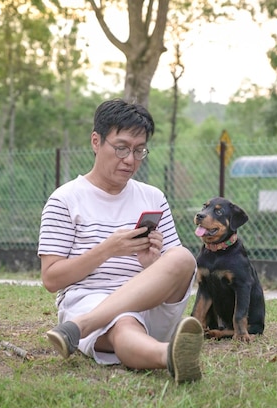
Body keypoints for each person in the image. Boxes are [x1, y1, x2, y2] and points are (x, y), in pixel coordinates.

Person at [38, 98, 203, 383]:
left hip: (150, 304)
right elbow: (51, 278)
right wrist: (107, 250)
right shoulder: (65, 199)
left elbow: (177, 269)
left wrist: (152, 264)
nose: (130, 159)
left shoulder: (153, 197)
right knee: (124, 324)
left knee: (182, 257)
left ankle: (81, 327)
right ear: (95, 141)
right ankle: (169, 355)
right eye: (122, 148)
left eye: (140, 151)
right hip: (91, 299)